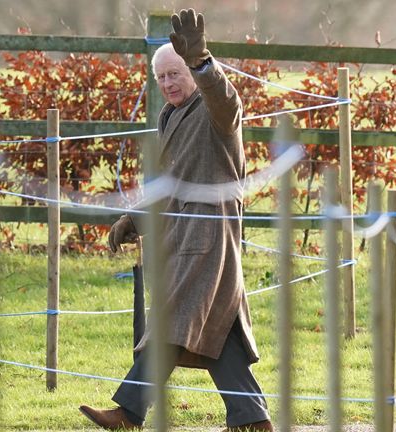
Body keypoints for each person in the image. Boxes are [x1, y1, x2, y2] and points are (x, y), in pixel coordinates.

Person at [80, 9, 273, 432]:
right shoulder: (168, 117)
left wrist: (203, 62)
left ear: (190, 71)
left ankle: (129, 412)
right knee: (216, 324)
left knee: (173, 319)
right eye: (161, 78)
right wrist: (135, 220)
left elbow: (225, 98)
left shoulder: (215, 111)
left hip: (209, 233)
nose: (168, 83)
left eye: (175, 74)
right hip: (182, 232)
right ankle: (252, 418)